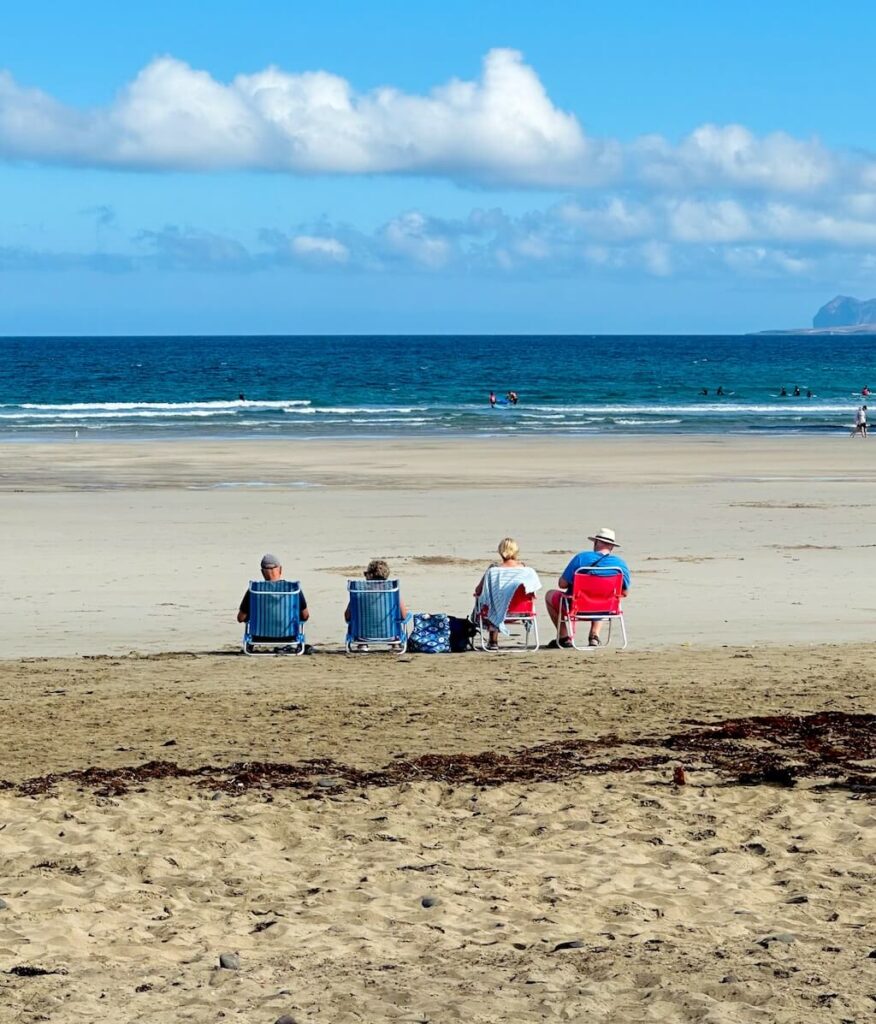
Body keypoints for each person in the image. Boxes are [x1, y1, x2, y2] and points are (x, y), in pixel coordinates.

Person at [545, 527, 630, 648]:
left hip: (578, 607)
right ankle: (594, 635)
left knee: (550, 594)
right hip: (606, 608)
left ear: (596, 542)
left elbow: (562, 584)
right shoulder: (620, 564)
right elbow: (625, 593)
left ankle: (564, 637)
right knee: (603, 596)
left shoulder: (581, 558)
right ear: (612, 546)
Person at [473, 538, 541, 650]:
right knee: (494, 602)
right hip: (522, 611)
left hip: (497, 612)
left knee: (489, 602)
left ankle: (493, 640)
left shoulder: (494, 570)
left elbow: (478, 591)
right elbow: (533, 592)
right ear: (516, 551)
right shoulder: (527, 571)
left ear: (500, 551)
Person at [237, 553, 309, 624]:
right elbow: (305, 616)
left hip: (259, 635)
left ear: (262, 572)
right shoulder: (293, 588)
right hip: (289, 635)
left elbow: (240, 618)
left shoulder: (254, 589)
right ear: (280, 569)